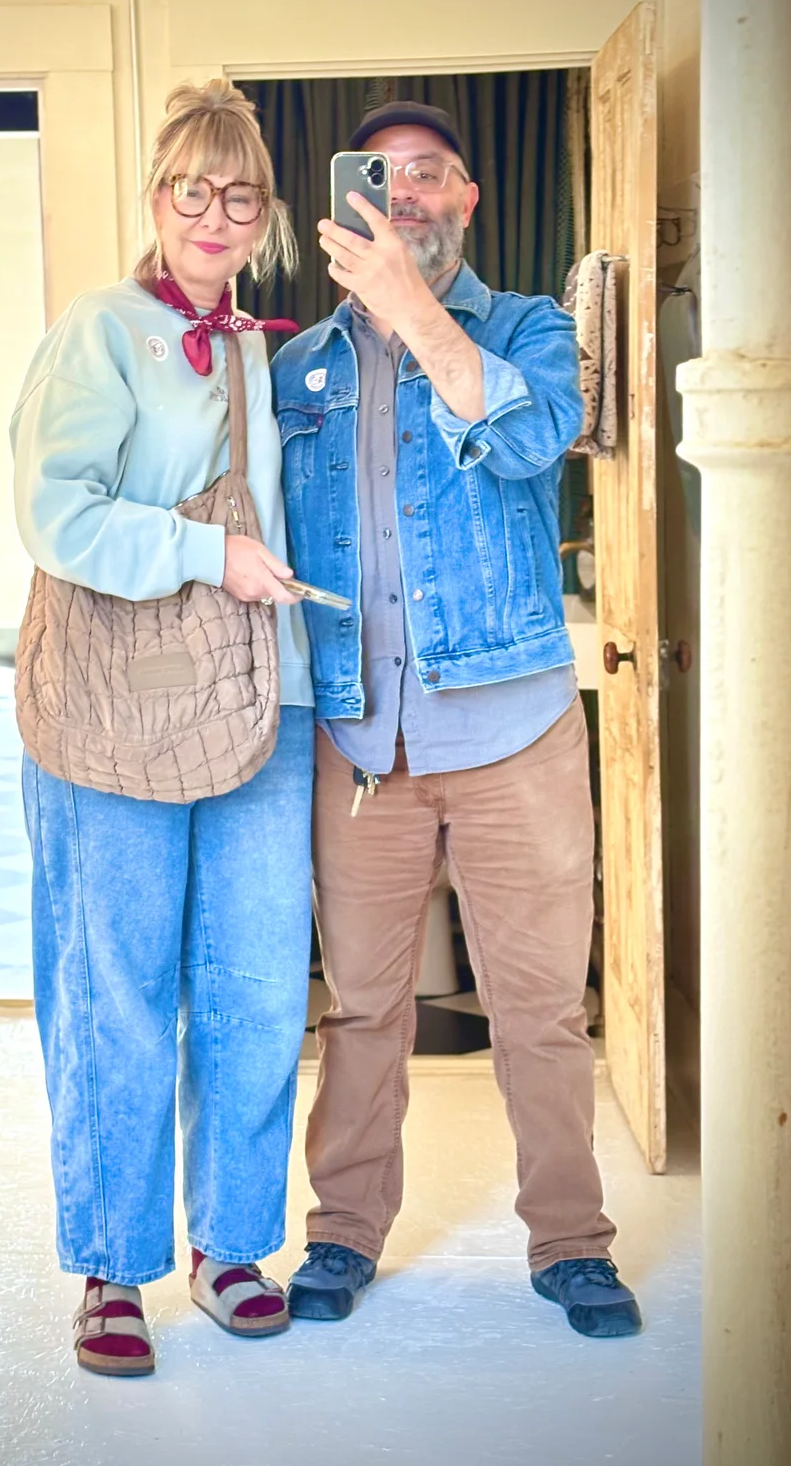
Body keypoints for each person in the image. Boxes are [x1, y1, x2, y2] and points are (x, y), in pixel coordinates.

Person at [272, 101, 642, 1339]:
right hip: (358, 740)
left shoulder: (531, 329)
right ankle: (342, 1232)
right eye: (386, 178)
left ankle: (571, 1245)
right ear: (347, 200)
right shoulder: (299, 370)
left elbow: (541, 436)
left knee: (539, 1004)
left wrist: (414, 311)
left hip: (512, 734)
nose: (410, 195)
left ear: (470, 199)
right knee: (365, 1008)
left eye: (430, 176)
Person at [10, 80, 315, 1377]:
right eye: (189, 188)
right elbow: (52, 514)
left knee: (251, 990)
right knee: (115, 988)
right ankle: (110, 1265)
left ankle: (231, 1243)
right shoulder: (100, 331)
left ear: (263, 216)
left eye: (237, 194)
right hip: (116, 709)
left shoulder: (260, 349)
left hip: (267, 702)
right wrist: (204, 552)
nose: (212, 214)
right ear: (155, 198)